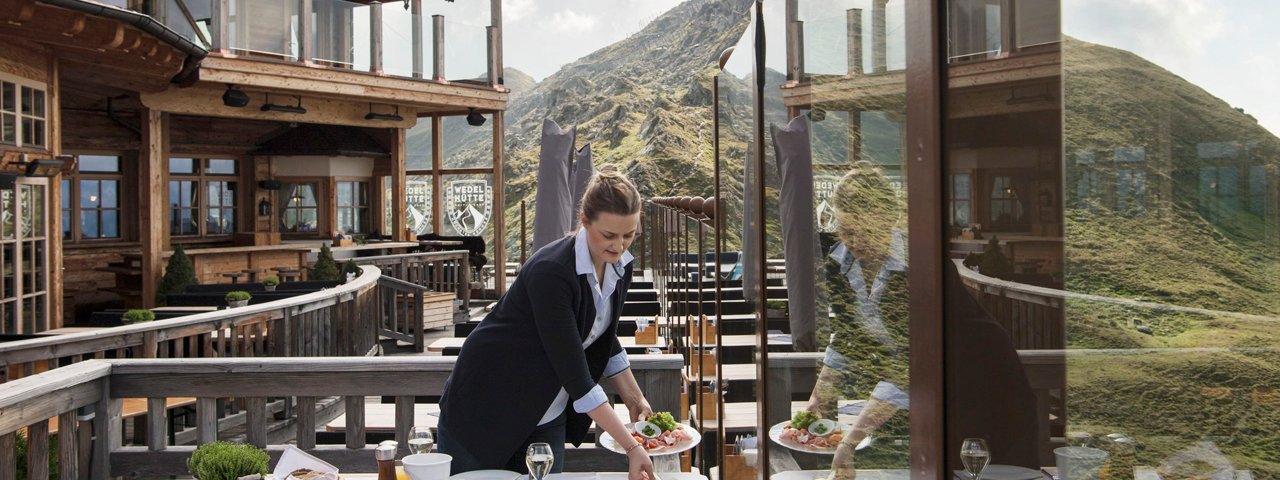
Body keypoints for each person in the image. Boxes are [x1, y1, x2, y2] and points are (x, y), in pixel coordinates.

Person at [438, 168, 657, 480]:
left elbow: (601, 334)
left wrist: (635, 399)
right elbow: (578, 379)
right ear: (584, 220)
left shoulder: (619, 266)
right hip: (486, 406)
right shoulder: (551, 272)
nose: (619, 246)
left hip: (545, 411)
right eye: (609, 235)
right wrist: (632, 448)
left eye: (629, 235)